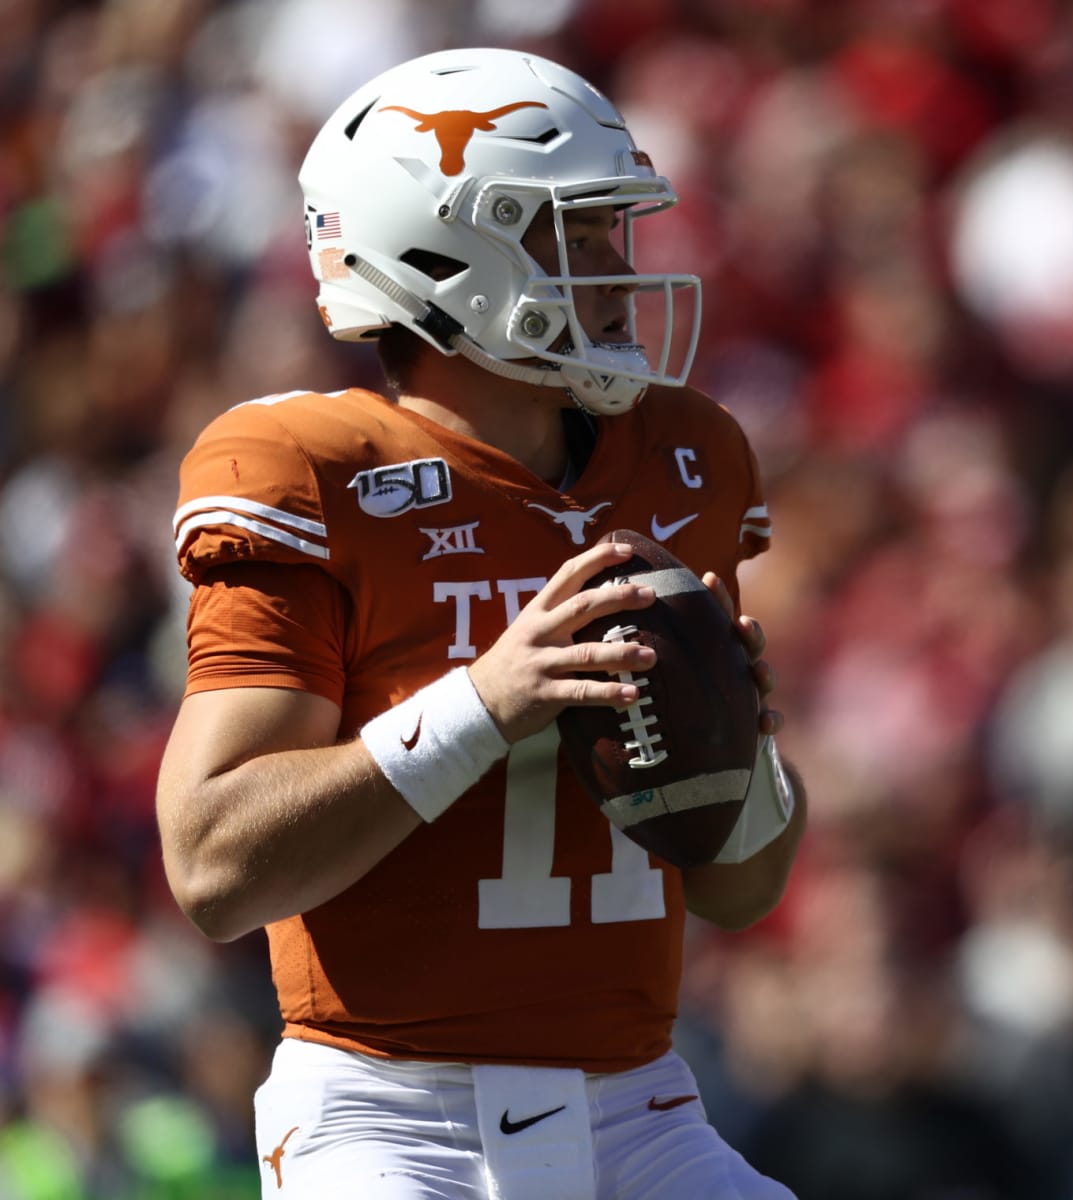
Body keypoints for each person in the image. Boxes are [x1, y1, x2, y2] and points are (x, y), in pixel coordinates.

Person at [155, 46, 805, 1200]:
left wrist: (742, 754)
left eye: (617, 232)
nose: (618, 269)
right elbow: (212, 864)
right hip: (387, 1115)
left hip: (643, 1108)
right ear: (447, 250)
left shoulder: (689, 458)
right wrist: (486, 704)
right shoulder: (314, 470)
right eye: (580, 235)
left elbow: (740, 891)